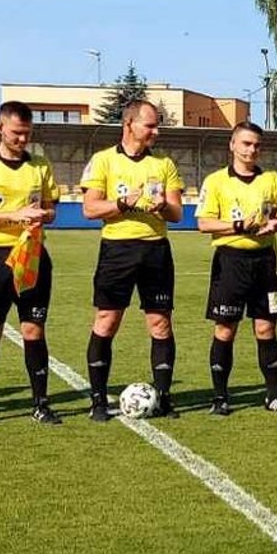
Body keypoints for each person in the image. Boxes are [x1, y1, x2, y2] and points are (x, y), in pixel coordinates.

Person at [80, 100, 184, 421]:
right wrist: (124, 203)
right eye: (150, 125)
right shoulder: (103, 161)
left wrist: (160, 208)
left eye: (157, 125)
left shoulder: (164, 164)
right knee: (107, 322)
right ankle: (98, 401)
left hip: (156, 251)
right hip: (117, 251)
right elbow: (90, 209)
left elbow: (177, 212)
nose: (156, 131)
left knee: (160, 323)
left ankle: (163, 398)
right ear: (129, 124)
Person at [0, 101, 62, 426]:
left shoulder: (40, 165)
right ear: (0, 128)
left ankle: (41, 403)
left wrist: (42, 215)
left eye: (27, 134)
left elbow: (51, 209)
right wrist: (13, 215)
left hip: (32, 255)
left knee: (33, 328)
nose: (22, 139)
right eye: (17, 133)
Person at [195, 122, 277, 415]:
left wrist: (273, 225)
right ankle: (220, 397)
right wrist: (239, 226)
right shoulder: (215, 181)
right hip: (230, 261)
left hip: (264, 262)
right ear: (233, 145)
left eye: (257, 145)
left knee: (266, 327)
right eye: (246, 144)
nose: (252, 150)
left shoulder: (272, 179)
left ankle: (273, 396)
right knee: (226, 329)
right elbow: (203, 223)